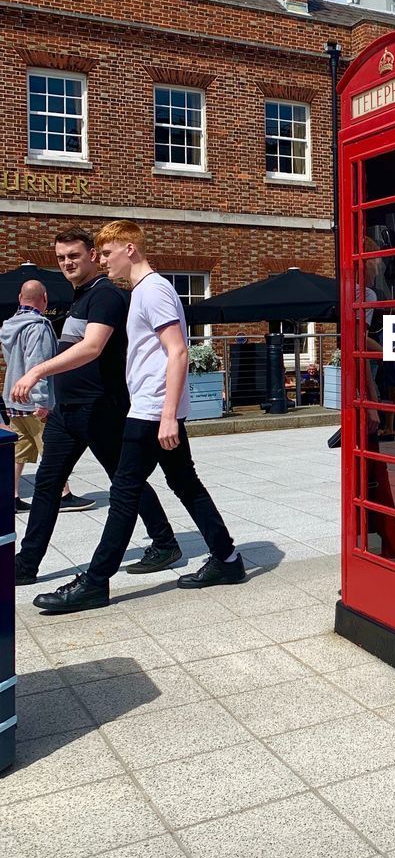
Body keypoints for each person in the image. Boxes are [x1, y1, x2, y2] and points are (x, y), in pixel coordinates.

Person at [29, 220, 244, 614]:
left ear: (129, 250)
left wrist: (166, 416)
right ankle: (228, 559)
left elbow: (178, 351)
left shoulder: (153, 291)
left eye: (107, 253)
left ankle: (94, 583)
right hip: (150, 407)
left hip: (150, 410)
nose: (103, 261)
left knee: (125, 494)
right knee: (184, 484)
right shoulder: (144, 291)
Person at [10, 230, 181, 587]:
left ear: (92, 255)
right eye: (60, 258)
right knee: (46, 485)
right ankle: (27, 564)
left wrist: (38, 371)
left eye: (74, 255)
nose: (67, 263)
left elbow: (92, 347)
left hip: (101, 408)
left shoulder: (106, 295)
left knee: (124, 481)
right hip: (67, 412)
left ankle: (164, 542)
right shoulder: (79, 298)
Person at [1, 281, 58, 514]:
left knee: (18, 451)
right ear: (44, 297)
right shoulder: (39, 326)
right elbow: (39, 364)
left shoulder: (8, 326)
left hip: (13, 397)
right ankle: (61, 495)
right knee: (53, 450)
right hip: (34, 400)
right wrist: (43, 400)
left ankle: (12, 497)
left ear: (19, 297)